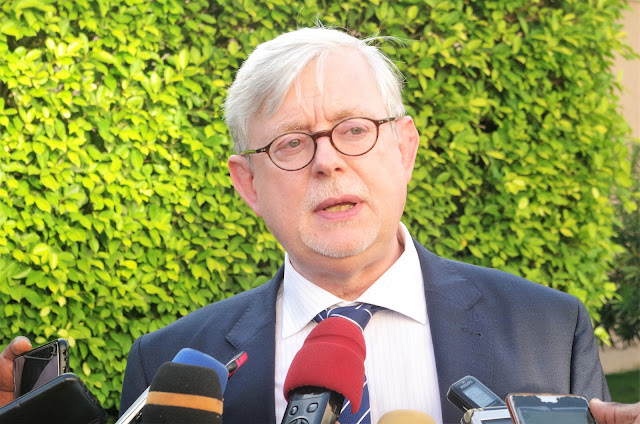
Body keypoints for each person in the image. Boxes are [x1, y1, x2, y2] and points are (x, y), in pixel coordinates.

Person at [0, 27, 615, 424]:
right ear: (248, 183)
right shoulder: (169, 366)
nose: (328, 161)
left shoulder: (550, 329)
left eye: (355, 129)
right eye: (291, 143)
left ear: (404, 148)